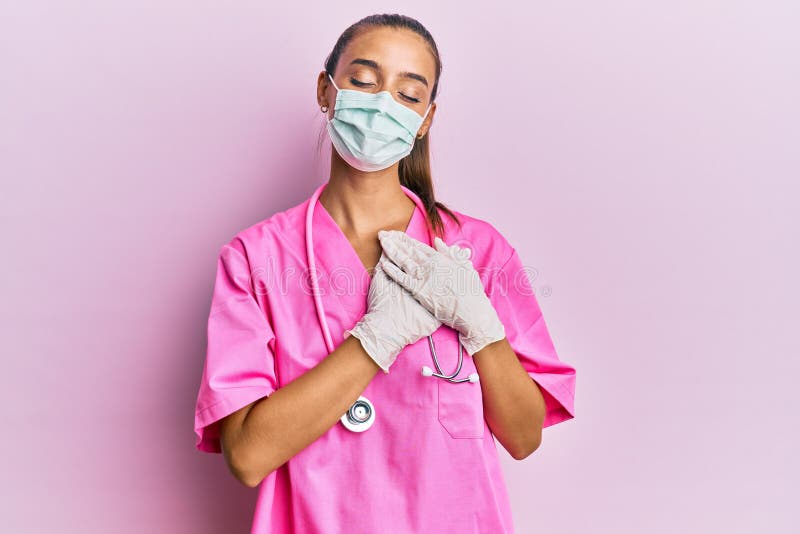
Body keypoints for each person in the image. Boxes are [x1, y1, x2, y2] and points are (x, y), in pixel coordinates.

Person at [193, 13, 576, 534]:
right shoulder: (256, 259)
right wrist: (376, 340)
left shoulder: (475, 251)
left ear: (425, 120)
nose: (381, 104)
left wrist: (483, 328)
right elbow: (248, 456)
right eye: (363, 81)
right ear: (326, 91)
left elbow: (524, 436)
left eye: (408, 93)